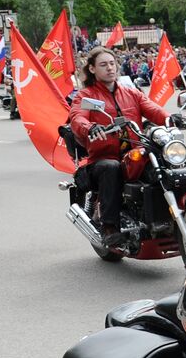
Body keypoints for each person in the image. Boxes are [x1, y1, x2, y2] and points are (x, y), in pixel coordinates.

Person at [68, 48, 170, 247]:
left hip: (134, 152)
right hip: (103, 158)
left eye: (112, 63)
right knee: (111, 167)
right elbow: (77, 117)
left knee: (162, 162)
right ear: (92, 69)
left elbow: (153, 109)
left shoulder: (132, 93)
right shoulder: (87, 96)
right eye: (103, 65)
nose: (109, 68)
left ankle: (164, 217)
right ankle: (109, 227)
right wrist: (90, 127)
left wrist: (170, 118)